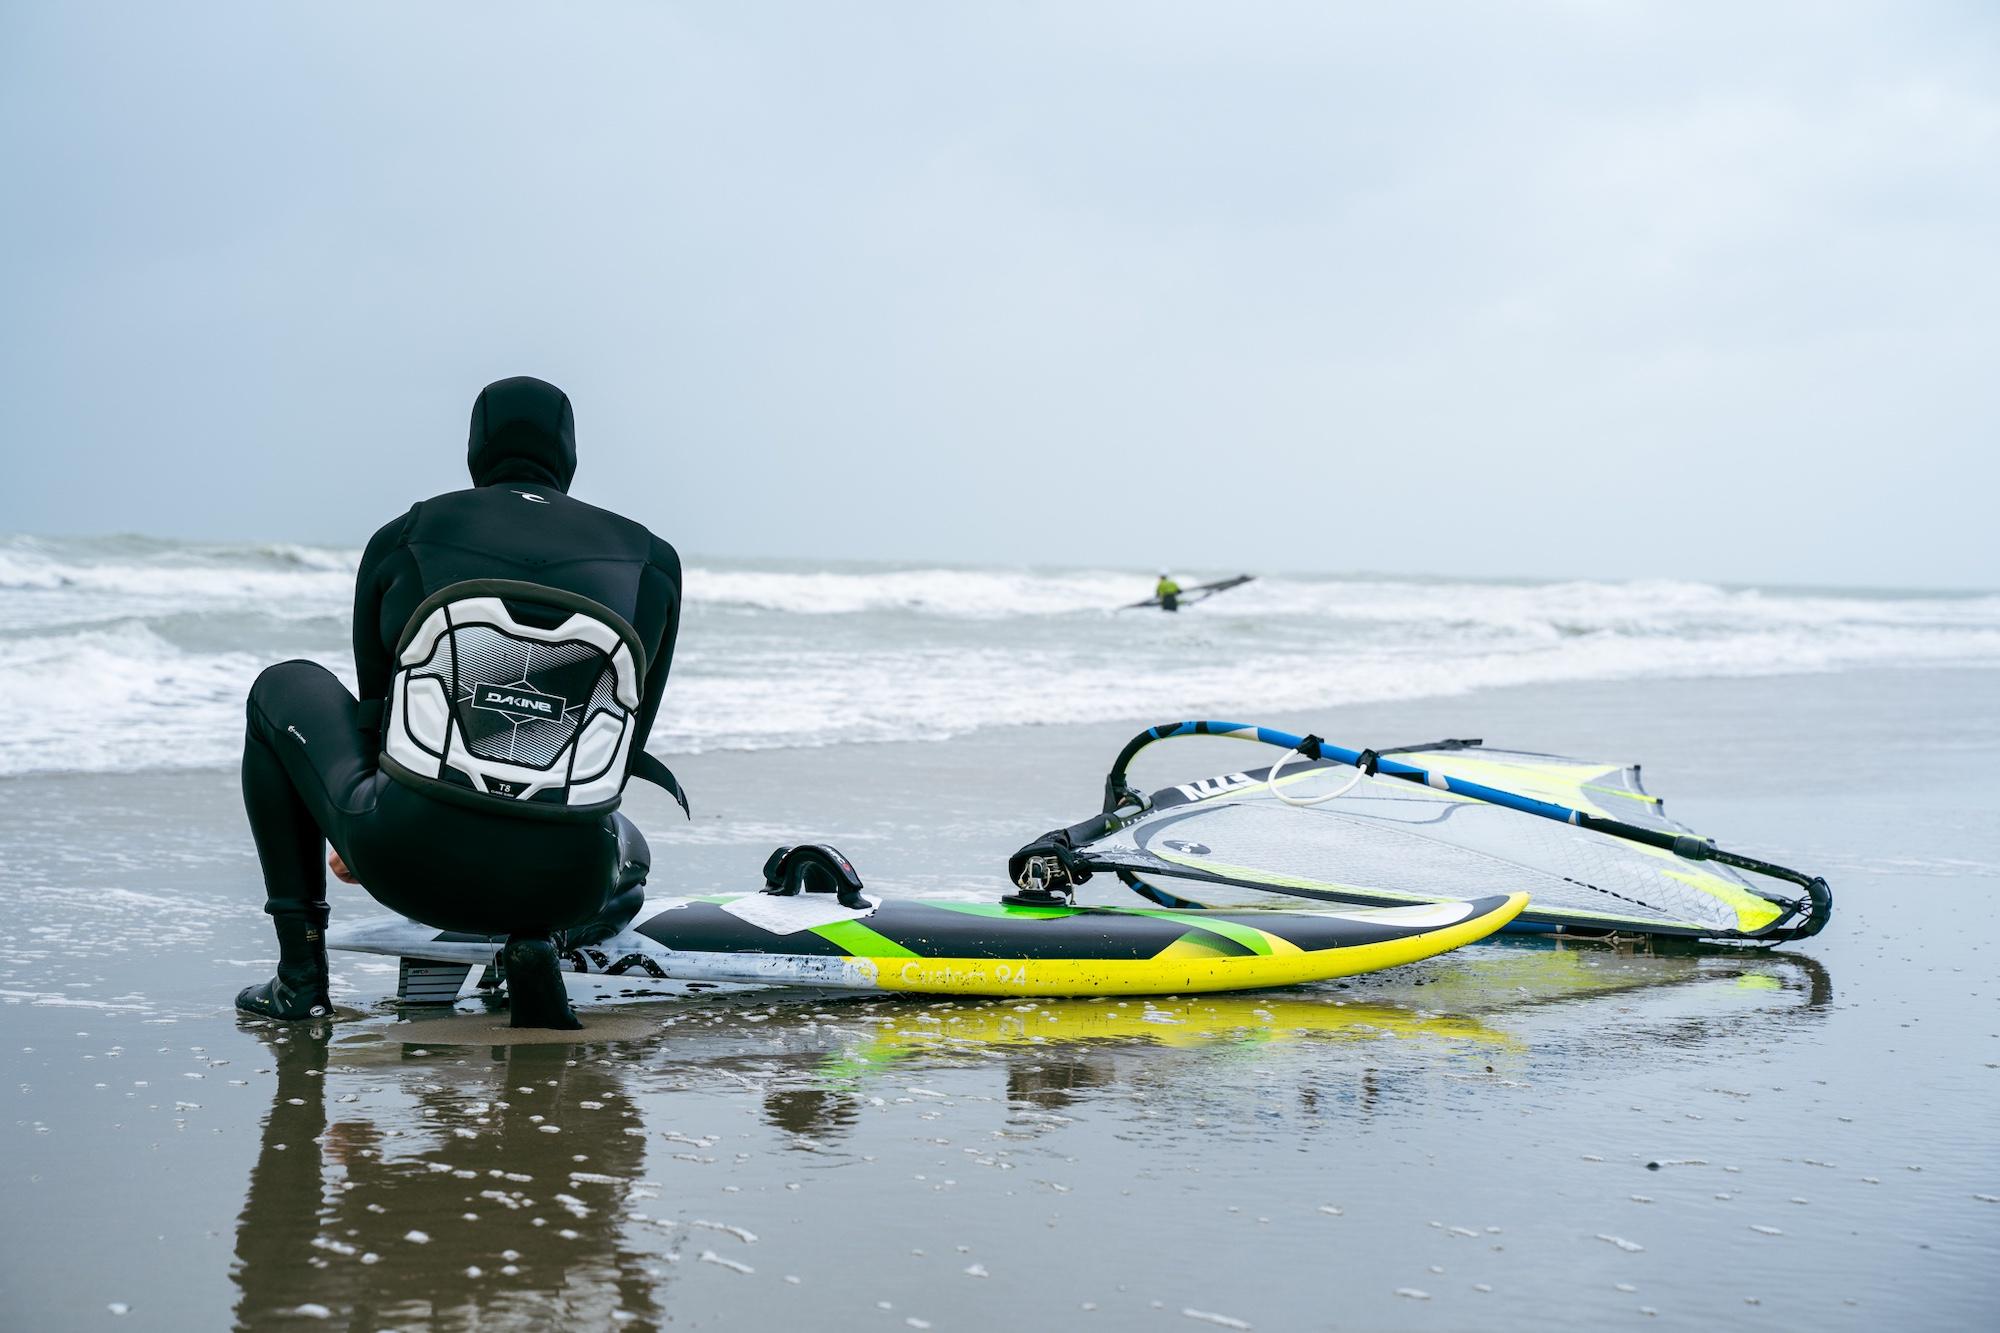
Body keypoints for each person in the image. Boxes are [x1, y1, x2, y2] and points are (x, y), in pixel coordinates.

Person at [236, 376, 683, 1029]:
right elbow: (623, 742)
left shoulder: (408, 533)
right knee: (633, 852)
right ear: (570, 456)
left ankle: (300, 979)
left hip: (408, 856)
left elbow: (379, 715)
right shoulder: (653, 560)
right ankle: (538, 940)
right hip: (571, 881)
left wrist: (358, 820)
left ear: (475, 449)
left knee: (280, 685)